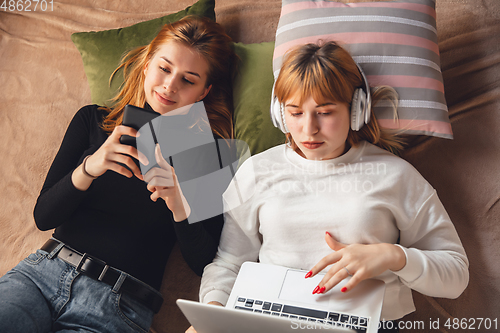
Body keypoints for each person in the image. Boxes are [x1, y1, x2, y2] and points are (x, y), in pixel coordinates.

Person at [191, 41, 469, 332]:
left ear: (356, 110)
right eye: (296, 113)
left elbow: (455, 274)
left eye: (324, 112)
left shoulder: (396, 176)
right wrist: (211, 315)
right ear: (280, 114)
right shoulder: (256, 172)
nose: (308, 129)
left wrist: (392, 256)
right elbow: (229, 263)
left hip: (368, 325)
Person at [0, 15, 236, 333]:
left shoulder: (207, 157)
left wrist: (178, 204)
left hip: (119, 305)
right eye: (164, 68)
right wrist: (90, 168)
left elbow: (204, 263)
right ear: (147, 65)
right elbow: (44, 217)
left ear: (203, 91)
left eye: (188, 79)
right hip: (41, 276)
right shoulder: (92, 121)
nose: (170, 85)